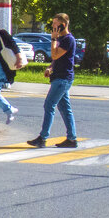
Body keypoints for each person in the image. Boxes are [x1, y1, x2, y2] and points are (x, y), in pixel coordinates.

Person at [27, 13, 78, 148]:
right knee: (65, 108)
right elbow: (58, 58)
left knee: (49, 105)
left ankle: (43, 138)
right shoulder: (62, 39)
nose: (53, 27)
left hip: (63, 79)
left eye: (56, 24)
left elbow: (55, 54)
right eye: (53, 24)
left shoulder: (68, 39)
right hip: (59, 77)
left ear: (64, 24)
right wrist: (50, 67)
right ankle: (72, 139)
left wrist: (54, 39)